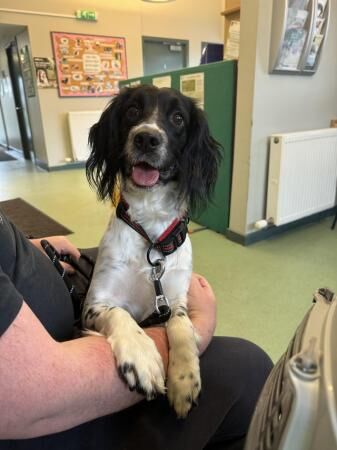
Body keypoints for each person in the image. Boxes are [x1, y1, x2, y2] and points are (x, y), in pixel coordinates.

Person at [0, 209, 273, 450]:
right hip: (42, 414)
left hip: (46, 279)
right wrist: (189, 336)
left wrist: (22, 246)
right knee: (248, 367)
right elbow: (32, 395)